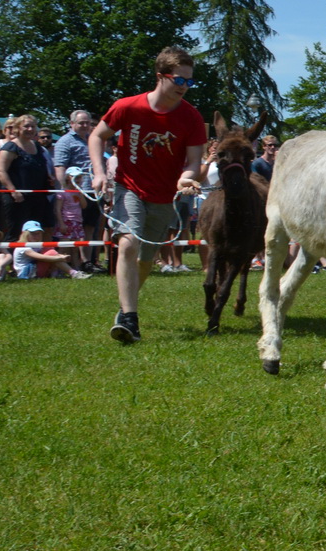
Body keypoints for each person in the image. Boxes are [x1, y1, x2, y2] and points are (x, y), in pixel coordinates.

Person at [88, 47, 206, 342]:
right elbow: (96, 136)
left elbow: (193, 162)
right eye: (179, 80)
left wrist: (185, 179)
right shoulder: (128, 107)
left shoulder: (191, 117)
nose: (184, 87)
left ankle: (125, 308)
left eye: (190, 82)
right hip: (129, 187)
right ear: (160, 76)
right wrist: (100, 172)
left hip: (164, 195)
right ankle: (130, 319)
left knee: (145, 259)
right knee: (127, 244)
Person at [53, 110, 100, 271]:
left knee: (90, 227)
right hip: (75, 193)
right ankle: (73, 264)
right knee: (74, 230)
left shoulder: (92, 140)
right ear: (72, 124)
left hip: (93, 190)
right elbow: (60, 167)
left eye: (87, 122)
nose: (85, 126)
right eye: (81, 123)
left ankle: (88, 262)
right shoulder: (64, 142)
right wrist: (66, 192)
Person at [0, 115, 57, 239]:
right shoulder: (10, 147)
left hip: (38, 197)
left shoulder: (38, 146)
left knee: (37, 233)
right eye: (26, 126)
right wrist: (13, 191)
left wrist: (49, 177)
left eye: (32, 126)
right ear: (18, 128)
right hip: (17, 198)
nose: (30, 129)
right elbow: (0, 170)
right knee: (16, 233)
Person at [11, 220, 91, 280]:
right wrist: (60, 258)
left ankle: (59, 274)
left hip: (34, 270)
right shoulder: (22, 247)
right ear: (25, 234)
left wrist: (60, 256)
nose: (36, 236)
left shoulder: (35, 245)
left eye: (38, 233)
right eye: (33, 233)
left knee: (50, 251)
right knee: (51, 253)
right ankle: (73, 273)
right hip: (27, 274)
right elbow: (40, 257)